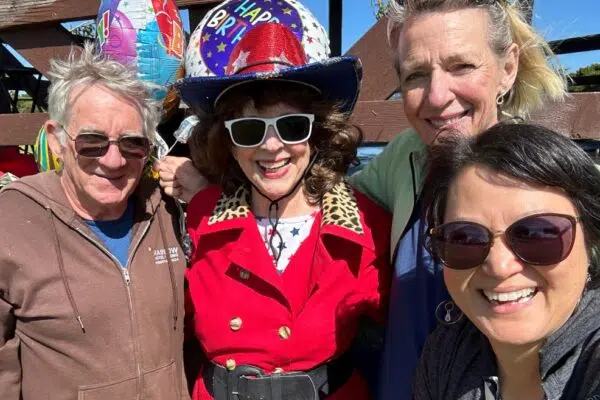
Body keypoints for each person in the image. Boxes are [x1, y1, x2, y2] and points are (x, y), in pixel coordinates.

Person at [155, 0, 567, 397]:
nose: (438, 95)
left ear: (508, 68)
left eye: (462, 65)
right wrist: (208, 189)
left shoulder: (553, 183)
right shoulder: (403, 161)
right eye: (416, 75)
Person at [176, 20, 391, 400]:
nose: (272, 146)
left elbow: (412, 338)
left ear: (317, 135)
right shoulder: (201, 217)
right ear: (229, 143)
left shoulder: (366, 226)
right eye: (249, 130)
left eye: (291, 126)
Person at [0, 43, 189, 399]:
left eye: (132, 144)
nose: (114, 161)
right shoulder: (11, 222)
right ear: (56, 141)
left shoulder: (168, 209)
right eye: (92, 142)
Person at [414, 123, 600, 399]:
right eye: (464, 237)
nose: (499, 267)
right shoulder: (445, 354)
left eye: (538, 233)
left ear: (590, 239)